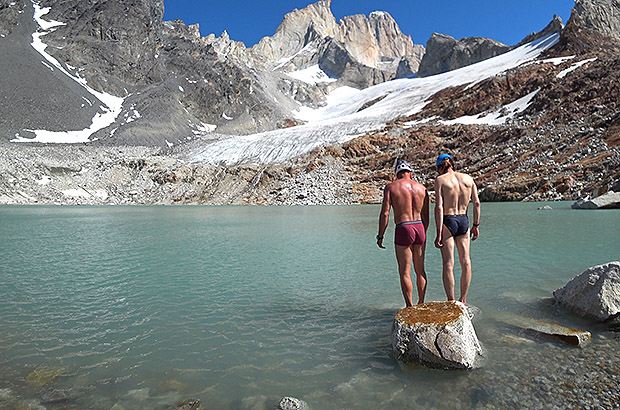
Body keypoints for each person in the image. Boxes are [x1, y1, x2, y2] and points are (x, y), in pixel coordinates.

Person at [377, 160, 430, 307]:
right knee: (420, 270)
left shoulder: (391, 187)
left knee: (405, 271)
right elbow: (426, 216)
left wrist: (380, 235)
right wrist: (423, 233)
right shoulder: (422, 188)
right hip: (419, 227)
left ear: (397, 174)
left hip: (403, 227)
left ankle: (409, 306)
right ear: (410, 173)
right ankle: (421, 304)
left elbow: (385, 213)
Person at [433, 153, 480, 305]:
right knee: (466, 261)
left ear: (440, 168)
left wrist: (439, 232)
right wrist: (476, 225)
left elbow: (439, 208)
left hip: (448, 220)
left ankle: (451, 301)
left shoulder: (440, 180)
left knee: (448, 263)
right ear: (452, 164)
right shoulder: (468, 178)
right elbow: (477, 203)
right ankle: (464, 299)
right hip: (464, 220)